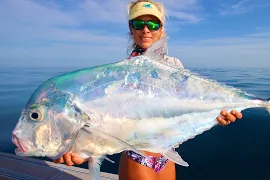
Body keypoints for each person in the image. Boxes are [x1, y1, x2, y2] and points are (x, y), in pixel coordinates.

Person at [53, 1, 243, 180]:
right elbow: (114, 123)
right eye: (139, 24)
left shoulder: (175, 66)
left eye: (153, 24)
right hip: (138, 159)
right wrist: (84, 148)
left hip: (167, 156)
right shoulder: (121, 75)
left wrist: (217, 117)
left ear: (161, 29)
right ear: (131, 28)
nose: (146, 30)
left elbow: (187, 109)